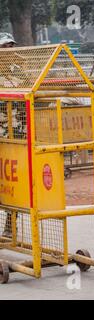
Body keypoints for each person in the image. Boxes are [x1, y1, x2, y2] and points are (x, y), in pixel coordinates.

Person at [0, 32, 17, 239]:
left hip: (17, 135)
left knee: (15, 182)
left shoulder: (18, 71)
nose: (9, 50)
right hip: (1, 133)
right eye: (5, 47)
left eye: (11, 46)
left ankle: (10, 225)